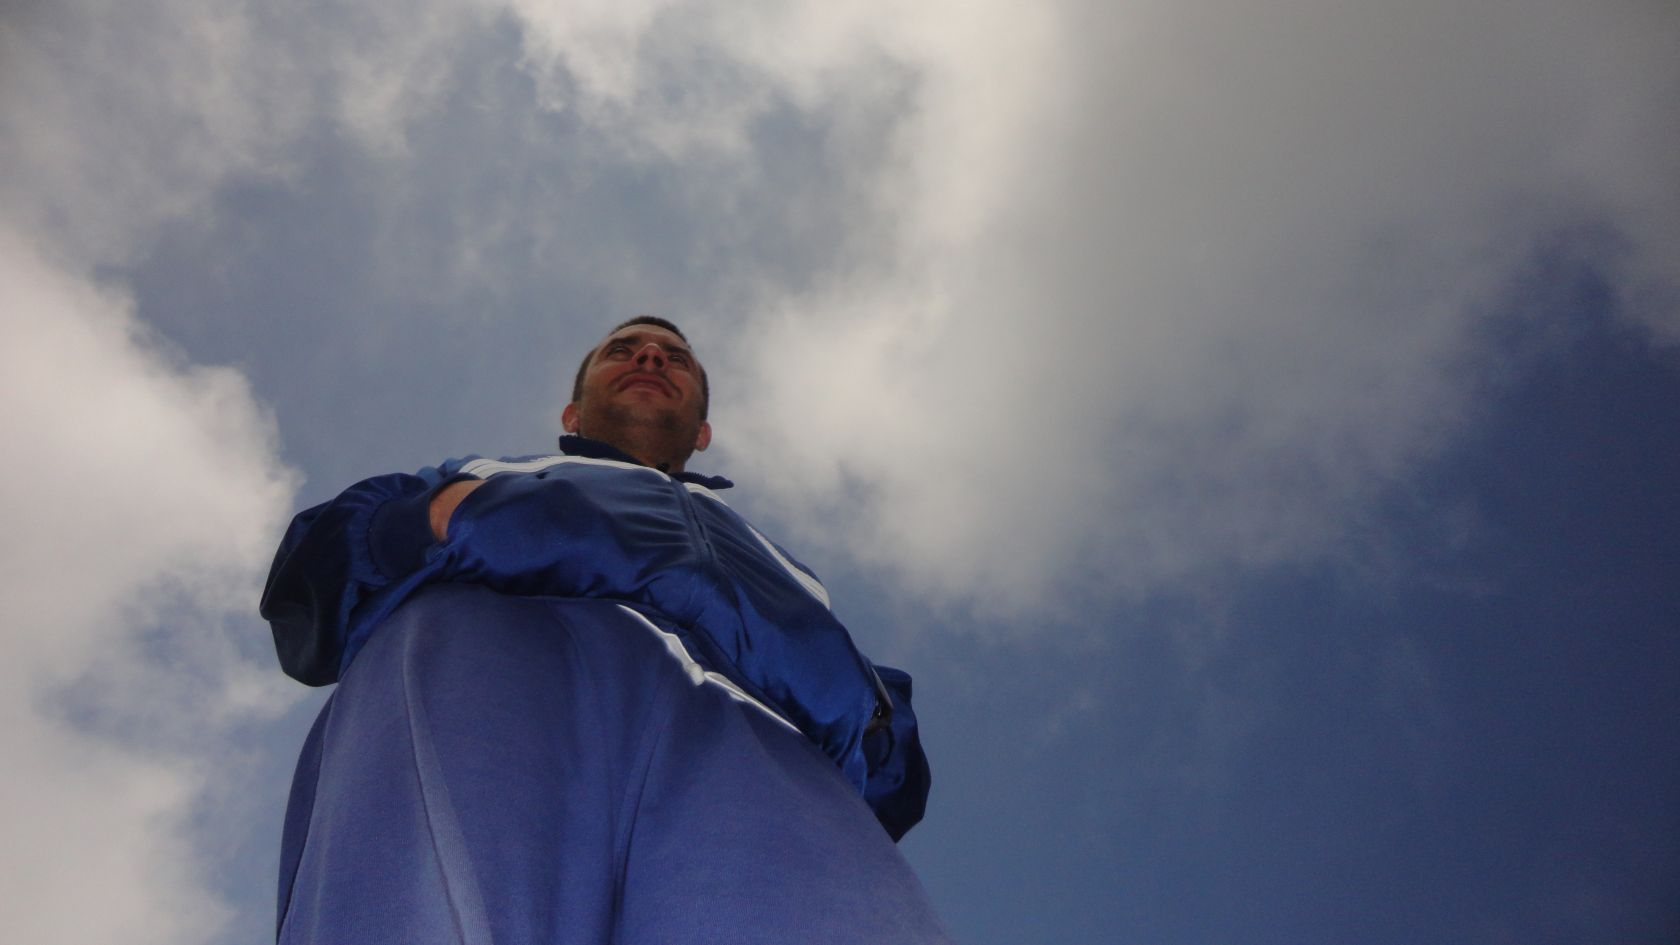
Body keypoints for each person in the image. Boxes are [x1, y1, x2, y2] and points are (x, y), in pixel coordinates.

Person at [260, 317, 951, 945]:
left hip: (766, 740)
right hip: (496, 661)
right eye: (623, 349)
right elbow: (314, 576)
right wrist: (442, 517)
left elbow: (895, 773)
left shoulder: (790, 569)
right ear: (572, 411)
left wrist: (870, 720)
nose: (650, 356)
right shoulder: (482, 475)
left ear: (702, 430)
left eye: (675, 358)